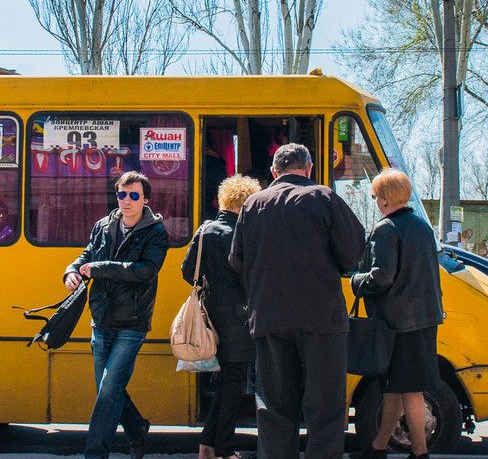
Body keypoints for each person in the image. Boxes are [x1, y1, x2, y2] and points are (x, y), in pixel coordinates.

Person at [229, 143, 365, 459]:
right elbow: (352, 251)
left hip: (269, 319)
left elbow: (237, 261)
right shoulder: (325, 198)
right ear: (309, 168)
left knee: (275, 409)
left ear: (274, 173)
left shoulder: (252, 204)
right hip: (322, 320)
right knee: (326, 410)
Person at [63, 171, 169, 459]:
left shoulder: (156, 232)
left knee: (109, 389)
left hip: (132, 323)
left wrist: (100, 268)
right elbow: (87, 255)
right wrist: (71, 270)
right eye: (122, 194)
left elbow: (145, 270)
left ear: (145, 199)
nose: (126, 201)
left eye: (134, 195)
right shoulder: (103, 225)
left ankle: (95, 453)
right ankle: (137, 429)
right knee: (108, 390)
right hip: (101, 318)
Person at [349, 169, 444, 459]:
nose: (375, 200)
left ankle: (420, 453)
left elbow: (382, 277)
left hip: (397, 324)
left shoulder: (386, 229)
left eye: (376, 195)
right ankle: (377, 448)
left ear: (386, 198)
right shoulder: (422, 227)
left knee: (409, 391)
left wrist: (356, 280)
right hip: (423, 320)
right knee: (393, 388)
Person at [182, 175, 261, 459]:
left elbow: (187, 271)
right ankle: (224, 449)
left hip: (211, 314)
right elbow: (250, 276)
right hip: (238, 318)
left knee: (228, 379)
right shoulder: (244, 233)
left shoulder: (205, 230)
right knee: (233, 381)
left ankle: (207, 444)